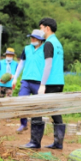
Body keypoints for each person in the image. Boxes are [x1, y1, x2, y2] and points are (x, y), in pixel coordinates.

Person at [23, 18, 65, 149]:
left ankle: (35, 142)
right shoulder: (58, 43)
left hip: (50, 82)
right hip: (59, 81)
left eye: (41, 28)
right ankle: (58, 143)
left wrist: (42, 84)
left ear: (47, 28)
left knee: (36, 109)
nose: (40, 31)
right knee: (55, 111)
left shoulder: (48, 43)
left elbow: (48, 65)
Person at [13, 29, 46, 133]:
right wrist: (15, 78)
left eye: (34, 38)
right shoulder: (27, 48)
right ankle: (23, 124)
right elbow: (21, 63)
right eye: (31, 37)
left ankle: (37, 129)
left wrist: (45, 83)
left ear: (40, 40)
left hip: (38, 82)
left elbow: (48, 66)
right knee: (21, 101)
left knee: (37, 106)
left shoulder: (45, 49)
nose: (32, 39)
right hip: (26, 80)